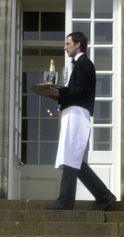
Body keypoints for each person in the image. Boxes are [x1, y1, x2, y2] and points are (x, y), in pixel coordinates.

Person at [36, 31, 117, 211]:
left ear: (78, 44)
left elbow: (80, 92)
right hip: (75, 113)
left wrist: (59, 93)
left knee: (70, 158)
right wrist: (58, 96)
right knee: (74, 160)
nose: (65, 47)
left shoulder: (84, 64)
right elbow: (77, 93)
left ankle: (66, 201)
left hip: (77, 115)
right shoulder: (81, 64)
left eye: (67, 44)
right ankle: (103, 196)